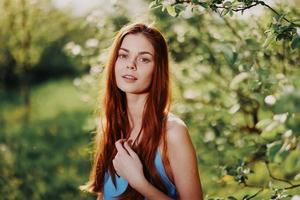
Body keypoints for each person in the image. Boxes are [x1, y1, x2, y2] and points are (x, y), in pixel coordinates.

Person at [81, 23, 203, 200]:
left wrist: (139, 182)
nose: (130, 65)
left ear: (157, 69)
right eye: (123, 55)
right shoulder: (111, 126)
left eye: (144, 59)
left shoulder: (173, 133)